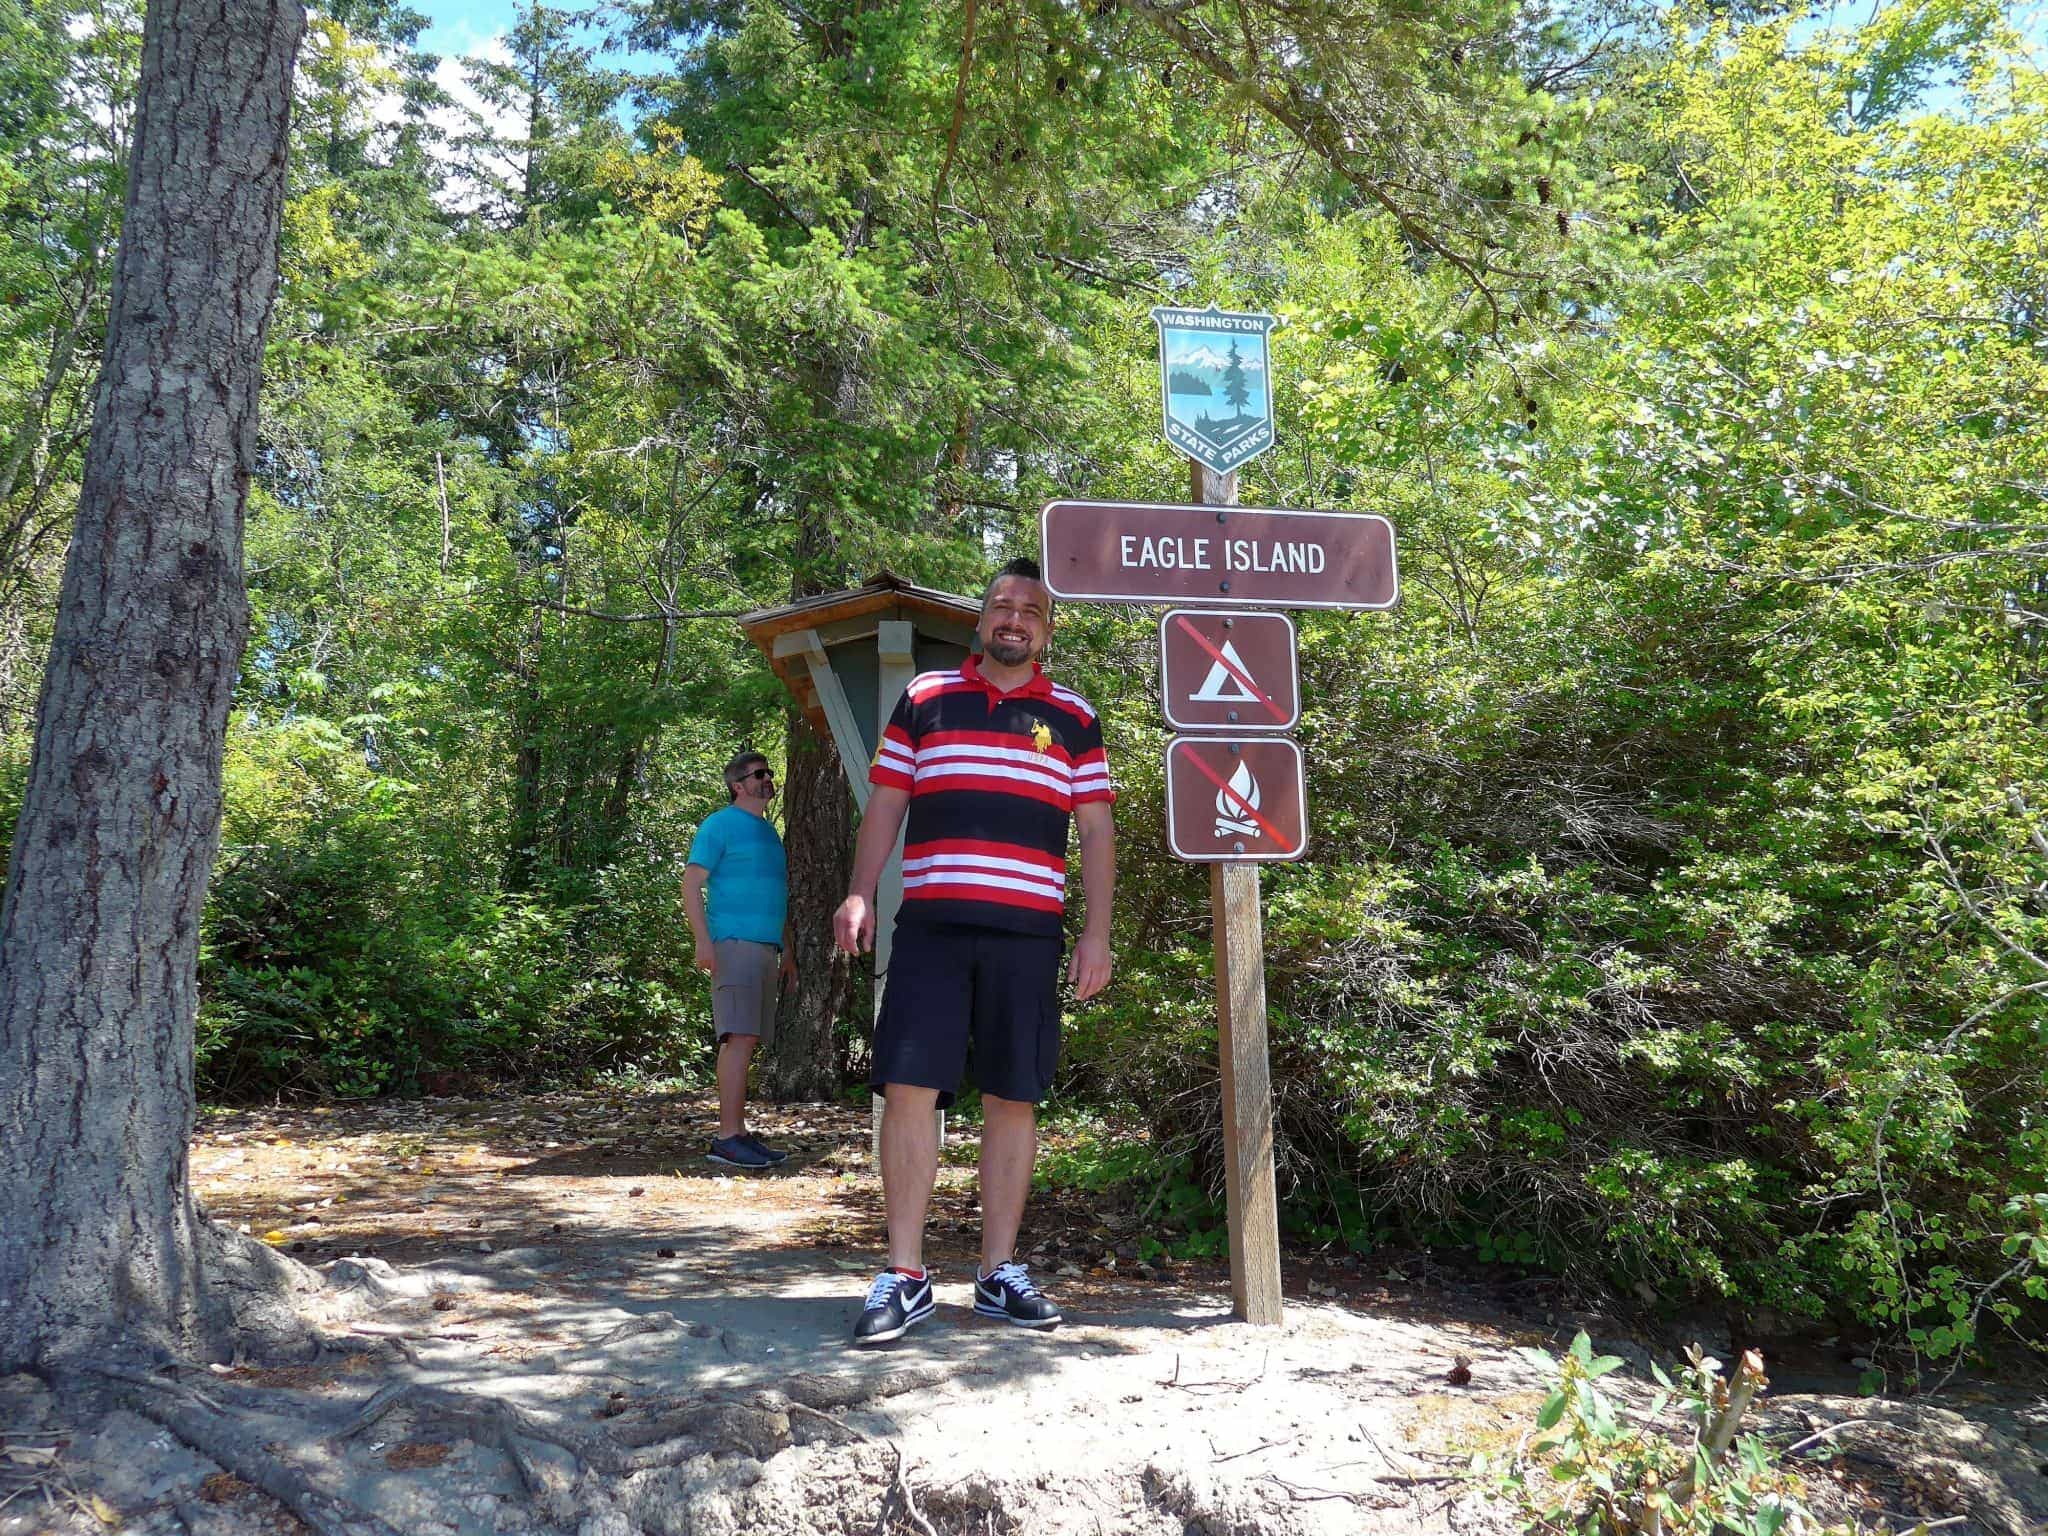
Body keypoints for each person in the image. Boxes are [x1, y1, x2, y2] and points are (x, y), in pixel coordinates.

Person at [833, 557, 1116, 1346]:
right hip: (930, 927)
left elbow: (1095, 828)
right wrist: (859, 892)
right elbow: (886, 803)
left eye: (1030, 609)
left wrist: (1095, 933)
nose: (1014, 619)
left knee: (1012, 1098)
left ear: (1047, 629)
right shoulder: (926, 698)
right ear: (980, 619)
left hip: (1029, 933)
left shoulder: (1074, 716)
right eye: (1001, 605)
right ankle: (905, 1274)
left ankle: (997, 1273)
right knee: (909, 1089)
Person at [683, 749, 796, 1171]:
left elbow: (775, 894)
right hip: (733, 944)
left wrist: (788, 951)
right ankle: (727, 1137)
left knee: (749, 1038)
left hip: (766, 949)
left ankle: (741, 1133)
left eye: (769, 773)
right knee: (738, 1037)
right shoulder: (719, 825)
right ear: (738, 785)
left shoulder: (768, 833)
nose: (768, 779)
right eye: (758, 774)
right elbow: (691, 884)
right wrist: (704, 942)